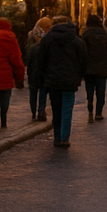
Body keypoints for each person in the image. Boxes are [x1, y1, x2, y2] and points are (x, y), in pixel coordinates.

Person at [36, 14, 87, 147]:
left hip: (53, 79)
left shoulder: (47, 40)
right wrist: (79, 75)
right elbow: (83, 60)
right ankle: (65, 136)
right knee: (67, 109)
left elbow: (41, 60)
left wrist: (43, 75)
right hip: (70, 79)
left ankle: (57, 136)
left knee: (56, 108)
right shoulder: (76, 40)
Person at [0, 17, 25, 129]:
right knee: (5, 97)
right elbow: (16, 58)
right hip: (6, 72)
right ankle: (4, 119)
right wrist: (20, 75)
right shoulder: (11, 37)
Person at [80, 14, 107, 122]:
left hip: (89, 66)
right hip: (102, 66)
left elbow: (82, 51)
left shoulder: (85, 34)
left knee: (89, 89)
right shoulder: (104, 33)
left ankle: (90, 108)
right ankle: (98, 112)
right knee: (101, 90)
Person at [25, 16, 53, 122]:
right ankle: (41, 110)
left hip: (33, 70)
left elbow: (27, 55)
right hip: (42, 70)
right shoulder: (48, 37)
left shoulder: (31, 35)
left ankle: (34, 112)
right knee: (42, 91)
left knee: (33, 92)